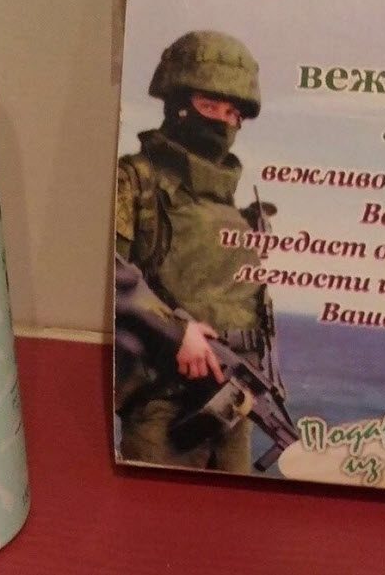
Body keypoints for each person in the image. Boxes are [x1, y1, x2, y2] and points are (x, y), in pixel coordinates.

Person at [114, 30, 277, 472]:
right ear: (178, 104)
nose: (223, 122)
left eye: (233, 113)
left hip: (232, 401)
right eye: (210, 106)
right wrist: (176, 332)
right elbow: (107, 272)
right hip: (162, 403)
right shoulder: (135, 181)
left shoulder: (233, 210)